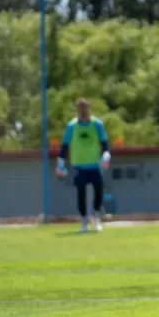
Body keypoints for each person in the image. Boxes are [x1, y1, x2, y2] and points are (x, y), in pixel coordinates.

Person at [55, 98, 111, 233]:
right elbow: (65, 145)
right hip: (79, 165)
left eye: (85, 108)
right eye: (80, 108)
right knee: (81, 193)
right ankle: (84, 221)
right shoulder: (72, 126)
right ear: (77, 110)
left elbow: (104, 142)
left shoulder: (97, 124)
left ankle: (96, 218)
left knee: (99, 190)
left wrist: (106, 154)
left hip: (94, 165)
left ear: (89, 109)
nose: (83, 111)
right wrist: (61, 161)